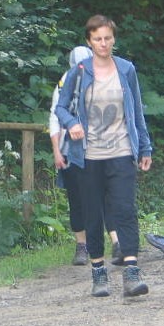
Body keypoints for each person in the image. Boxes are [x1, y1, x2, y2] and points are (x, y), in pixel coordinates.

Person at [55, 15, 153, 297]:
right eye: (97, 39)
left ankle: (132, 272)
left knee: (125, 210)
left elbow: (136, 111)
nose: (103, 43)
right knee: (93, 214)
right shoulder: (79, 72)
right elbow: (60, 108)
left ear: (114, 39)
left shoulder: (126, 69)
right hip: (87, 156)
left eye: (108, 38)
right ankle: (98, 272)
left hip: (121, 151)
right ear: (89, 41)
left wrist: (145, 147)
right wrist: (71, 123)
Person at [49, 45, 120, 266]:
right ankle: (82, 245)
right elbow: (55, 118)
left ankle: (116, 242)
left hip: (100, 148)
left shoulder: (104, 77)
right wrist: (57, 151)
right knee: (77, 198)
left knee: (106, 195)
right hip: (72, 151)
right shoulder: (64, 83)